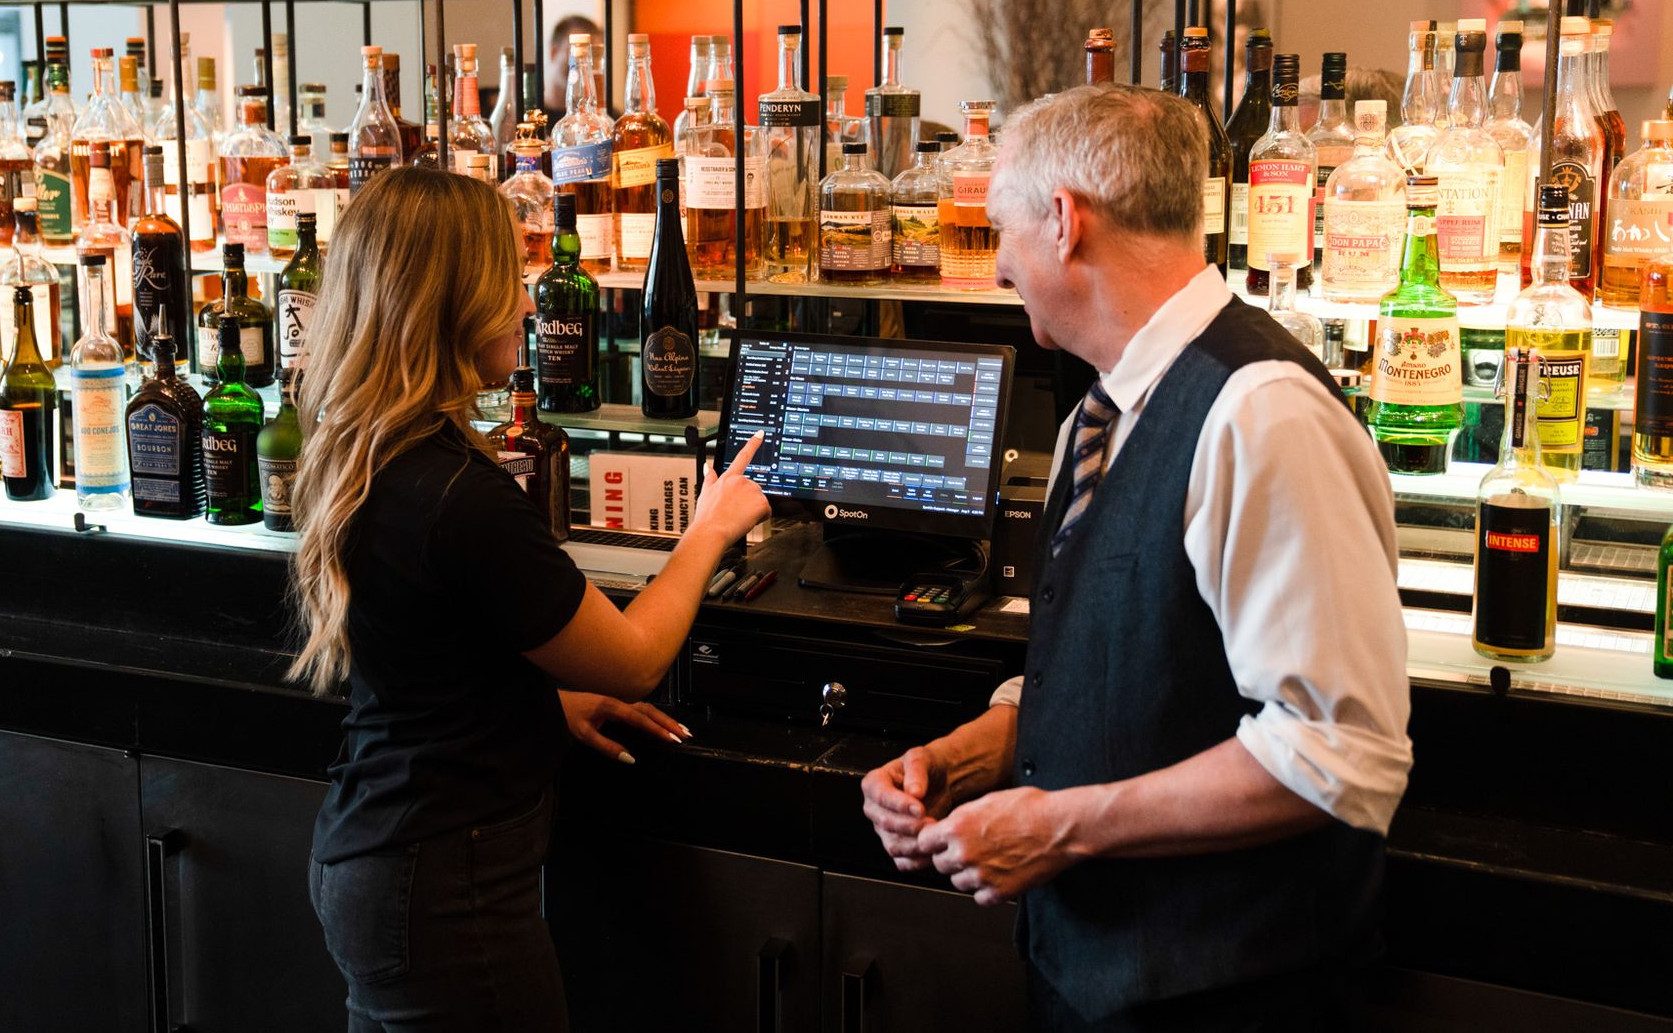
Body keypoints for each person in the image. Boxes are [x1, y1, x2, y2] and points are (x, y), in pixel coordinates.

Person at [859, 85, 1413, 1030]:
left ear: (1065, 222)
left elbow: (1338, 751)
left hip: (1223, 994)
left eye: (1000, 230)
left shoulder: (1260, 410)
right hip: (1094, 977)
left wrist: (1057, 824)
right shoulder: (1101, 410)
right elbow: (1137, 658)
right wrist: (980, 753)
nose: (996, 267)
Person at [290, 167, 771, 1031]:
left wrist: (535, 699)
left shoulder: (369, 453)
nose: (525, 304)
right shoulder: (463, 497)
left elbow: (429, 650)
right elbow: (636, 657)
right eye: (507, 279)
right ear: (453, 301)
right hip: (444, 890)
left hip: (372, 852)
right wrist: (707, 529)